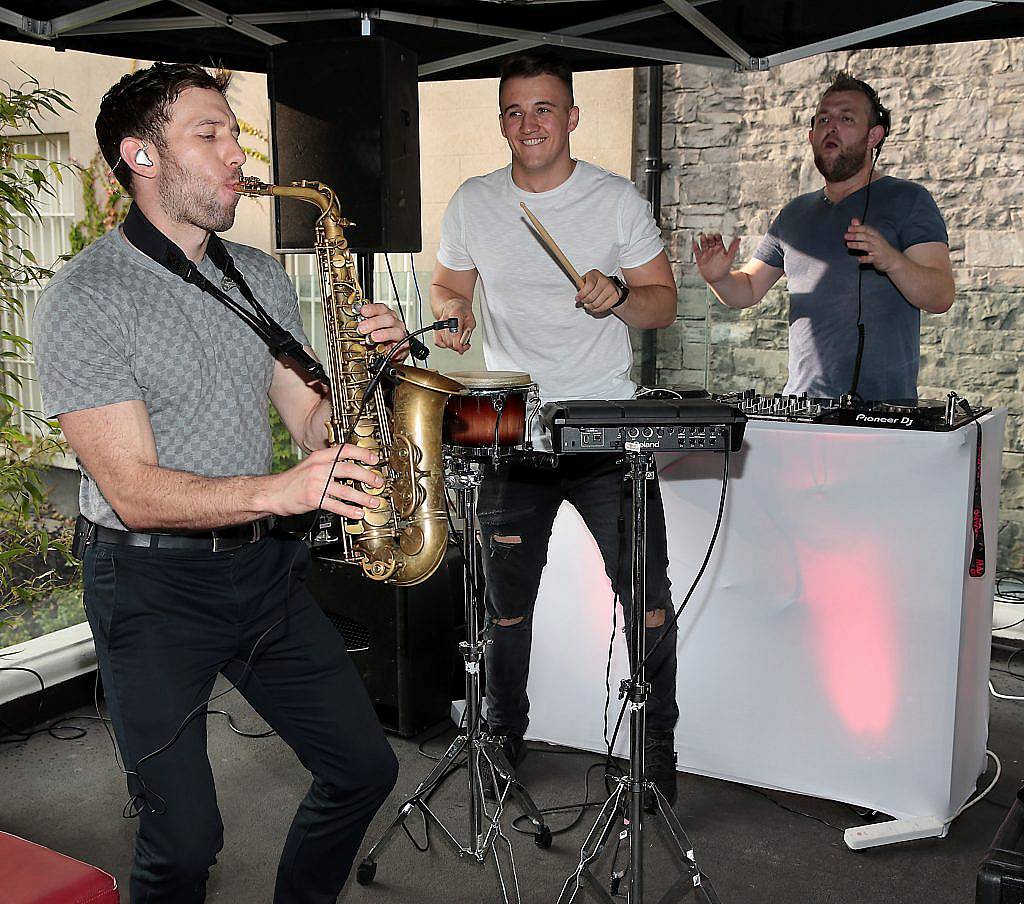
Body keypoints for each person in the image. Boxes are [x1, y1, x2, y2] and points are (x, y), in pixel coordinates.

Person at [33, 62, 404, 903]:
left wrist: (363, 376)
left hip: (260, 573)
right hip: (149, 583)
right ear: (142, 155)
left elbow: (313, 426)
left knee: (362, 769)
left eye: (233, 133)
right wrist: (280, 491)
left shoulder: (259, 275)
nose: (236, 152)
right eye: (209, 134)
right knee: (183, 843)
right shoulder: (86, 298)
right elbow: (131, 489)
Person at [430, 51, 680, 809]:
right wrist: (456, 309)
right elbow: (449, 282)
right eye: (514, 110)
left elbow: (662, 302)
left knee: (646, 600)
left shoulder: (612, 200)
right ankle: (503, 736)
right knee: (503, 604)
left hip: (605, 423)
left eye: (544, 109)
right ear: (502, 121)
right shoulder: (473, 201)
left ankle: (656, 753)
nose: (529, 123)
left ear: (571, 117)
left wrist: (618, 298)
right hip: (509, 420)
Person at [693, 72, 954, 402]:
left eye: (846, 118)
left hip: (886, 414)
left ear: (875, 136)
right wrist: (719, 278)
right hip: (803, 408)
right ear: (810, 135)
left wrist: (892, 261)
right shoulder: (794, 214)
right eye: (823, 119)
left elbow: (941, 295)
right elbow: (746, 289)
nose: (831, 127)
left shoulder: (909, 199)